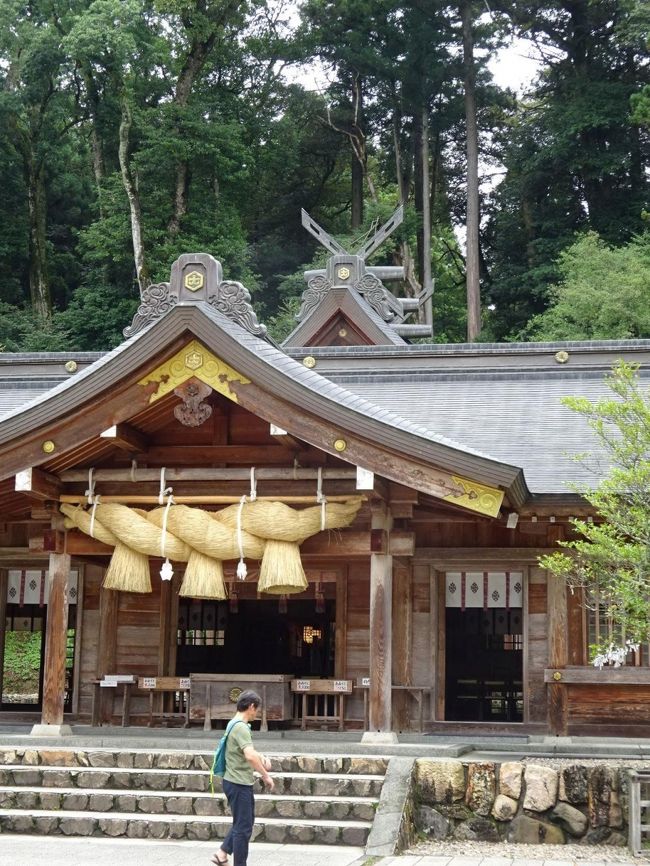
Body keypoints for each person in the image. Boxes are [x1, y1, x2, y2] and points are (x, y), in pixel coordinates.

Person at [212, 690, 274, 866]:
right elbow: (249, 756)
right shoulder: (240, 727)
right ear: (251, 706)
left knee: (245, 822)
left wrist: (261, 757)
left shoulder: (234, 723)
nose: (256, 713)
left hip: (235, 781)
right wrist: (266, 775)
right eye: (256, 709)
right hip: (238, 782)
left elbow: (249, 752)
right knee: (243, 828)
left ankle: (222, 853)